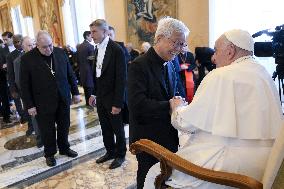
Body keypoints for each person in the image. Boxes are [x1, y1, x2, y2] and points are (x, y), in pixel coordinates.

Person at [144, 29, 284, 189]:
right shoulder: (263, 73)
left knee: (155, 172)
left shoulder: (220, 75)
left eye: (216, 51)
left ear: (230, 51)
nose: (213, 57)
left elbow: (185, 123)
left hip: (229, 168)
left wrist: (177, 107)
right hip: (262, 166)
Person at [128, 17, 190, 189]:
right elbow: (137, 105)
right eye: (176, 43)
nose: (179, 49)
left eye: (182, 44)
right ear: (160, 38)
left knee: (163, 177)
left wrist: (181, 102)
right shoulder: (139, 65)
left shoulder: (171, 63)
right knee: (147, 176)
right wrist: (169, 105)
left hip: (167, 133)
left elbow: (176, 90)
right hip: (147, 138)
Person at [20, 30, 81, 167]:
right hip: (42, 102)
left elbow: (70, 73)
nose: (49, 49)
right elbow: (25, 85)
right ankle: (49, 154)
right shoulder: (27, 59)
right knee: (47, 130)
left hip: (63, 97)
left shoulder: (60, 52)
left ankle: (64, 148)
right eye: (44, 47)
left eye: (50, 45)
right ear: (37, 46)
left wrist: (76, 92)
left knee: (64, 126)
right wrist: (30, 105)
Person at [88, 19, 127, 169]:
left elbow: (121, 79)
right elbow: (98, 75)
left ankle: (120, 154)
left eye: (94, 32)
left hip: (113, 98)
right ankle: (110, 151)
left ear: (104, 31)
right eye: (91, 32)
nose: (92, 35)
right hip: (101, 97)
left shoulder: (116, 49)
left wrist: (118, 103)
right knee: (105, 127)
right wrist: (94, 94)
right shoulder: (97, 48)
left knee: (118, 129)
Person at [7, 34, 33, 134]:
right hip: (20, 86)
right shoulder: (10, 56)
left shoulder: (31, 51)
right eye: (15, 42)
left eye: (19, 41)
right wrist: (13, 89)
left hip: (33, 84)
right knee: (27, 106)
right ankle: (31, 126)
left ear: (22, 41)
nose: (17, 44)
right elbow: (10, 74)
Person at [77, 31, 95, 107]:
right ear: (87, 36)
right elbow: (92, 59)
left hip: (82, 70)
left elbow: (78, 59)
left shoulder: (79, 46)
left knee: (86, 88)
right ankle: (91, 103)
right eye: (91, 36)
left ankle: (87, 103)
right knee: (90, 88)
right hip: (89, 70)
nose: (92, 37)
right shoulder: (90, 46)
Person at [0, 31, 15, 123]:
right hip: (5, 76)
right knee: (6, 95)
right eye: (3, 40)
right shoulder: (2, 49)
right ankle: (6, 116)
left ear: (11, 38)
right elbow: (2, 63)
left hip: (19, 74)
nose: (5, 42)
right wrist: (3, 66)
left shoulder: (18, 46)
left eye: (6, 39)